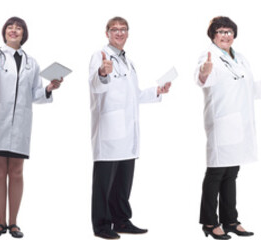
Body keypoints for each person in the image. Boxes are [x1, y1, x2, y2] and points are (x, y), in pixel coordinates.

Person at [87, 16, 171, 240]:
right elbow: (96, 85)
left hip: (127, 132)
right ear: (107, 33)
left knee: (123, 181)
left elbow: (134, 95)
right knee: (104, 183)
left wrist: (157, 91)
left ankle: (122, 220)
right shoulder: (101, 56)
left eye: (123, 29)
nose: (119, 33)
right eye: (114, 29)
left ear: (128, 33)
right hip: (109, 130)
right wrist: (103, 72)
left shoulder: (128, 61)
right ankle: (102, 226)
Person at [0, 16, 62, 239]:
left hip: (20, 124)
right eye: (10, 27)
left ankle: (13, 223)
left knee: (16, 172)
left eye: (18, 28)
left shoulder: (31, 62)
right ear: (4, 31)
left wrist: (49, 88)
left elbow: (35, 94)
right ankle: (0, 223)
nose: (14, 31)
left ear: (24, 34)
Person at [195, 16, 261, 240]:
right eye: (221, 32)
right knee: (216, 173)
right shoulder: (208, 56)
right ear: (213, 35)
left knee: (232, 173)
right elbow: (202, 78)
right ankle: (210, 223)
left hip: (239, 123)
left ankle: (230, 220)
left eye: (229, 31)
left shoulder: (239, 57)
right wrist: (204, 71)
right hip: (221, 122)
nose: (226, 35)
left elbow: (248, 87)